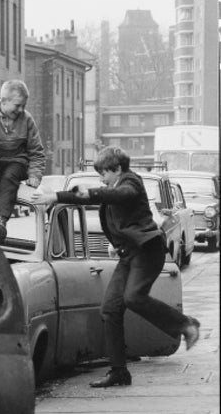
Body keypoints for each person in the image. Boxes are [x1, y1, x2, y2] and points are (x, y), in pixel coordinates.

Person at [32, 146, 200, 388]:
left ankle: (186, 324)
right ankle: (119, 372)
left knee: (133, 297)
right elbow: (115, 212)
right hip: (129, 254)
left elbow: (120, 195)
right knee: (110, 310)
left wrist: (58, 196)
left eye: (105, 174)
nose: (102, 178)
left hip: (147, 251)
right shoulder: (115, 187)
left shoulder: (131, 182)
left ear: (118, 168)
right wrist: (117, 243)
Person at [0, 80, 46, 243]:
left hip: (17, 160)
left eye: (23, 106)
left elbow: (36, 151)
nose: (20, 110)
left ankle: (1, 221)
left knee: (9, 177)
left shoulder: (26, 119)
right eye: (17, 105)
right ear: (3, 101)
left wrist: (34, 175)